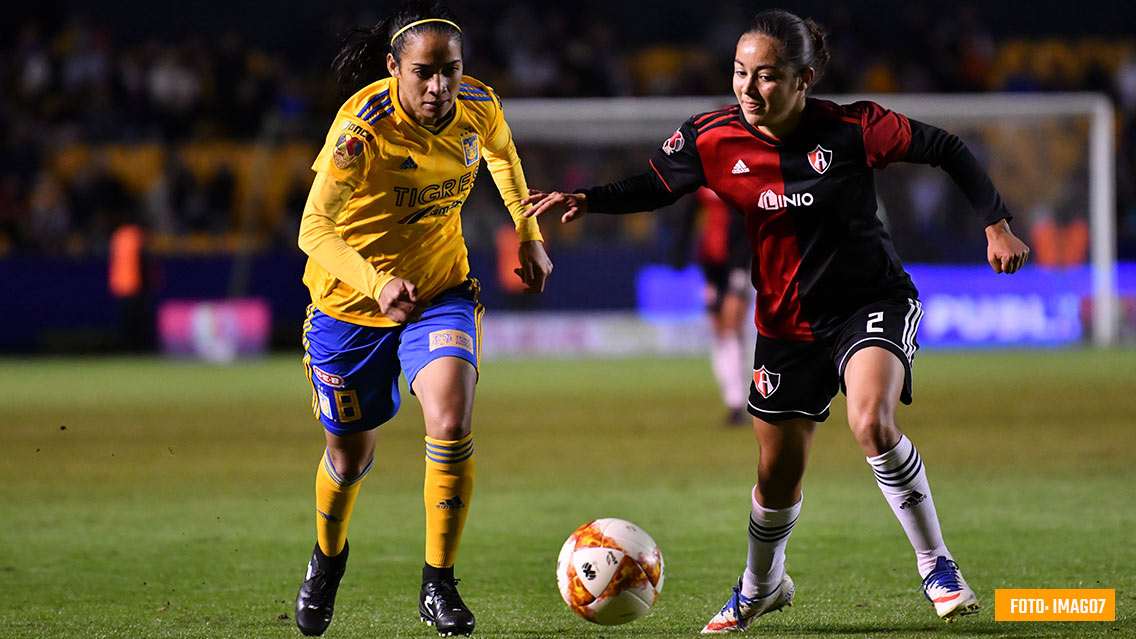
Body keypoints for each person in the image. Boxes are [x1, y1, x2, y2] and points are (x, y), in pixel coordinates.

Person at [523, 8, 1028, 633]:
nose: (748, 88)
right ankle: (763, 584)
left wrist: (996, 222)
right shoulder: (712, 137)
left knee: (870, 420)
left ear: (803, 79)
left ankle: (938, 565)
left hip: (870, 302)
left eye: (766, 76)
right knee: (777, 471)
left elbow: (947, 148)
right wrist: (589, 199)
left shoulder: (854, 128)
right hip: (786, 323)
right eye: (740, 73)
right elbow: (657, 183)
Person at [293, 2, 552, 637]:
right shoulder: (362, 127)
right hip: (349, 307)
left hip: (439, 292)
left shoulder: (479, 105)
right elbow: (312, 228)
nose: (439, 87)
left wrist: (528, 231)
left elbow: (503, 153)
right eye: (424, 73)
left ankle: (439, 582)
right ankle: (327, 562)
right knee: (349, 458)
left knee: (451, 416)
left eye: (451, 72)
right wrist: (377, 283)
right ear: (394, 69)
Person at [672, 188, 753, 425]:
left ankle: (742, 398)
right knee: (720, 331)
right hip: (711, 266)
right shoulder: (701, 187)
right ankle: (734, 401)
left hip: (738, 261)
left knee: (732, 324)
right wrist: (680, 251)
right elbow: (687, 218)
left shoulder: (738, 179)